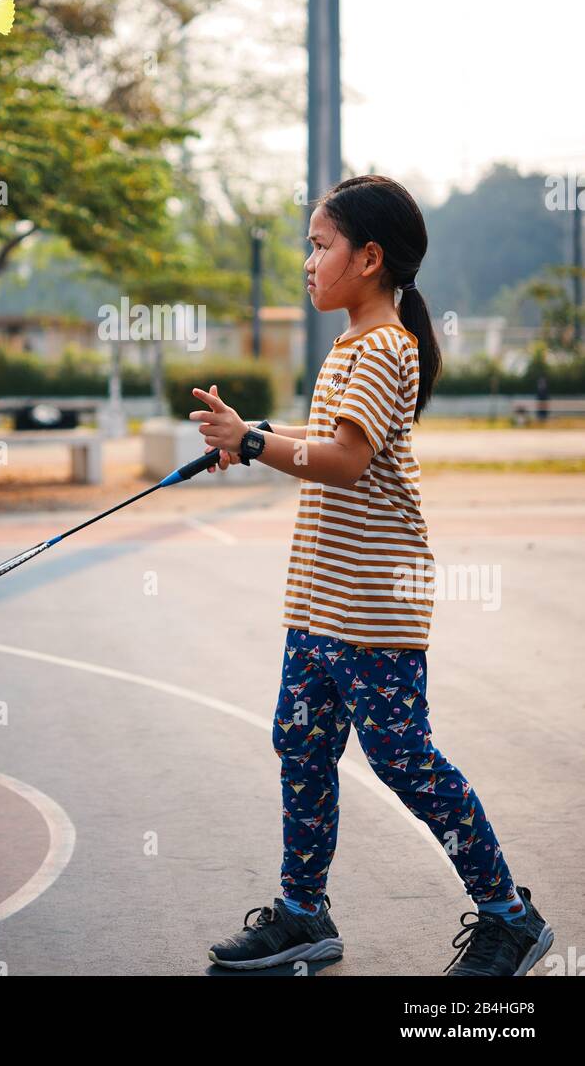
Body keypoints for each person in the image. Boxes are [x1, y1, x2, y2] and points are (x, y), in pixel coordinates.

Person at [190, 174, 553, 977]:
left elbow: (346, 460)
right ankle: (300, 914)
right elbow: (320, 437)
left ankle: (509, 917)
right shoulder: (352, 346)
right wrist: (250, 433)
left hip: (374, 602)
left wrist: (252, 443)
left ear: (370, 258)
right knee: (301, 743)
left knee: (403, 759)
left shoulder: (387, 347)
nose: (307, 261)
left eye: (320, 245)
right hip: (319, 599)